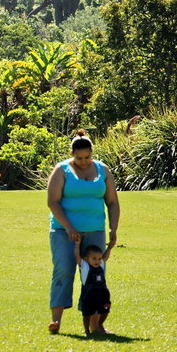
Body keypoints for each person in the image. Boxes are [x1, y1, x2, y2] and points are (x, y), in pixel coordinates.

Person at [46, 129, 120, 334]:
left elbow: (112, 202)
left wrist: (113, 228)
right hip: (63, 231)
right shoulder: (62, 170)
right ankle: (56, 321)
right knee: (63, 270)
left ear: (92, 153)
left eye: (87, 157)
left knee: (95, 276)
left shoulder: (102, 170)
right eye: (78, 157)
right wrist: (69, 227)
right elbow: (52, 202)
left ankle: (96, 324)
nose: (83, 161)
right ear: (72, 154)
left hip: (95, 230)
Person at [74, 236, 114, 336]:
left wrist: (109, 248)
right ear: (86, 259)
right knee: (87, 313)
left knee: (105, 309)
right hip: (89, 294)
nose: (97, 261)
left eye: (99, 258)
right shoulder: (85, 266)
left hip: (102, 293)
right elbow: (77, 256)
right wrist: (77, 244)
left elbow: (105, 257)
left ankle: (100, 324)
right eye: (94, 258)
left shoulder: (101, 264)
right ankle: (87, 330)